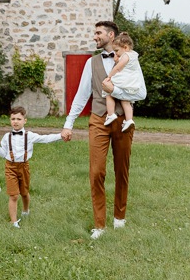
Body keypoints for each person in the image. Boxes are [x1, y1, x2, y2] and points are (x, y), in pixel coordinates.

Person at [61, 21, 134, 240]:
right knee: (96, 172)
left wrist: (117, 90)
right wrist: (68, 123)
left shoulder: (130, 60)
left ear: (111, 35)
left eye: (98, 33)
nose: (95, 36)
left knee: (122, 170)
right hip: (98, 120)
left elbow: (139, 91)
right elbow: (82, 95)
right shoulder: (91, 63)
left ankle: (119, 216)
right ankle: (99, 224)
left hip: (122, 121)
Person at [0, 106, 63, 228]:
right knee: (13, 195)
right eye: (13, 119)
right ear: (10, 120)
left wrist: (61, 135)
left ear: (25, 120)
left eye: (19, 119)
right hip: (10, 167)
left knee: (24, 193)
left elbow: (45, 139)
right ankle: (13, 221)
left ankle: (26, 210)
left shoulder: (29, 135)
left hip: (24, 166)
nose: (15, 121)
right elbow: (3, 154)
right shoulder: (6, 137)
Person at [102, 32, 147, 131]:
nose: (116, 53)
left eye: (117, 51)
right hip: (131, 81)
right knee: (125, 99)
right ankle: (129, 119)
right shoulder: (133, 55)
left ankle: (111, 114)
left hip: (123, 79)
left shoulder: (126, 55)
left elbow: (118, 68)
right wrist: (117, 58)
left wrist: (109, 76)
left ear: (125, 47)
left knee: (108, 92)